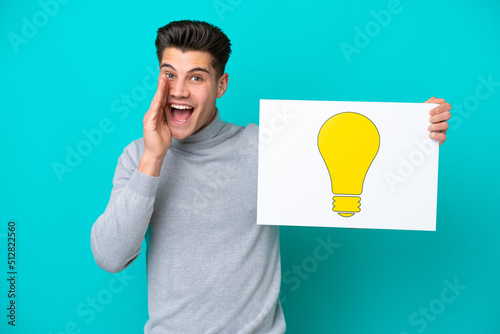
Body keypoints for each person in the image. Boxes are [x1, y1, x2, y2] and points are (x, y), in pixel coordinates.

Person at [90, 20, 451, 334]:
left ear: (220, 85)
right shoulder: (139, 156)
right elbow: (110, 256)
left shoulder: (268, 148)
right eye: (169, 75)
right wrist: (155, 156)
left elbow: (352, 157)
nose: (180, 90)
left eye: (196, 77)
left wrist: (411, 130)